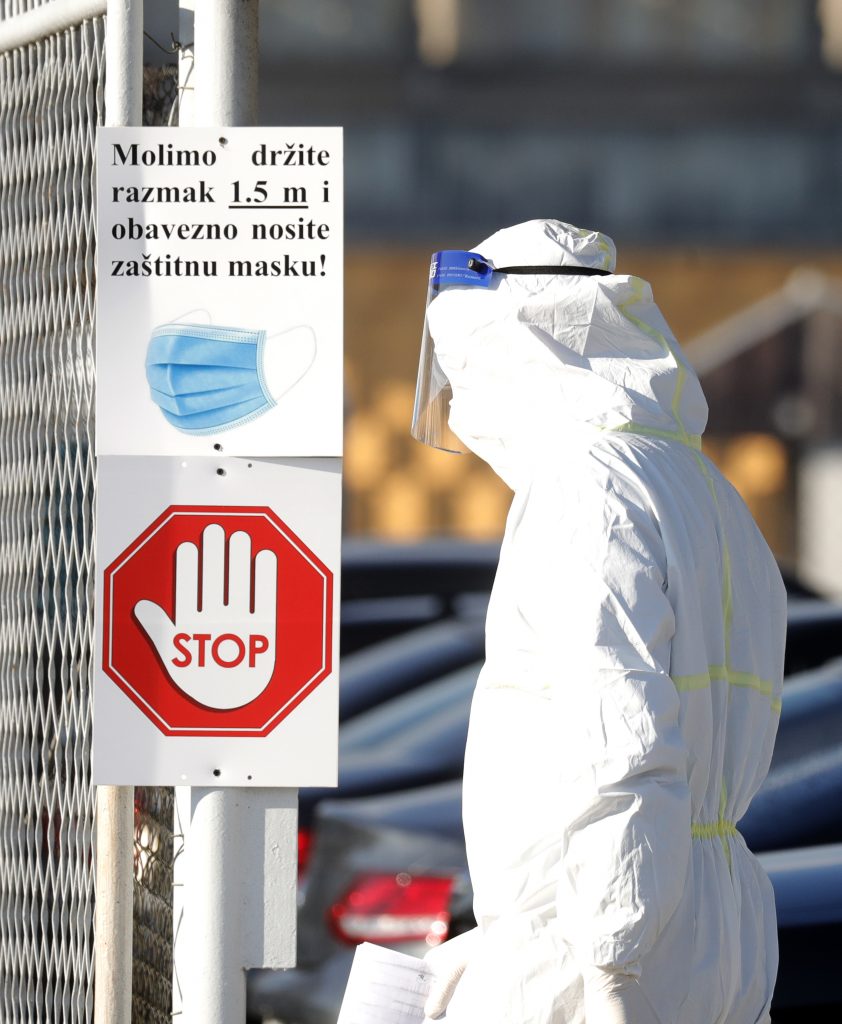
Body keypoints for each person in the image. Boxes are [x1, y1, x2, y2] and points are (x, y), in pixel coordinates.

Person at [410, 220, 786, 1024]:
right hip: (713, 927)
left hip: (603, 948)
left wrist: (610, 955)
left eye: (466, 363)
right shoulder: (702, 485)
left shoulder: (589, 489)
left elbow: (624, 738)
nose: (462, 393)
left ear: (516, 344)